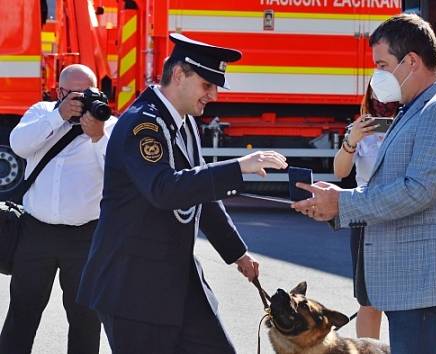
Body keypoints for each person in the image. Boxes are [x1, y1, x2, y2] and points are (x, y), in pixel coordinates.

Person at [76, 33, 288, 354]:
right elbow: (164, 189)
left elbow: (200, 191)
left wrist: (237, 253)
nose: (213, 95)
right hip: (133, 287)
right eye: (207, 85)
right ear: (179, 75)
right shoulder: (142, 125)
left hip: (175, 280)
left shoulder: (185, 122)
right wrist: (238, 167)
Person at [293, 13, 436, 354]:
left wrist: (343, 202)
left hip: (425, 287)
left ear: (411, 62)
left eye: (382, 64)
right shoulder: (417, 107)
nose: (377, 74)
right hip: (412, 285)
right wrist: (338, 200)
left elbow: (417, 190)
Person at [1, 64, 117, 354]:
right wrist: (58, 116)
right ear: (60, 91)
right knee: (22, 313)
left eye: (89, 92)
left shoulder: (109, 125)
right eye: (75, 93)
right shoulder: (42, 112)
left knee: (85, 319)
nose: (83, 99)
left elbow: (120, 174)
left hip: (85, 237)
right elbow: (19, 144)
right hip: (35, 232)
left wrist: (98, 136)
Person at [333, 84, 399, 339]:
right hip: (366, 219)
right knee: (369, 301)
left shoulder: (410, 124)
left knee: (402, 301)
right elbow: (340, 172)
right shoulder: (359, 129)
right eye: (377, 94)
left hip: (401, 215)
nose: (382, 102)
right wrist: (352, 140)